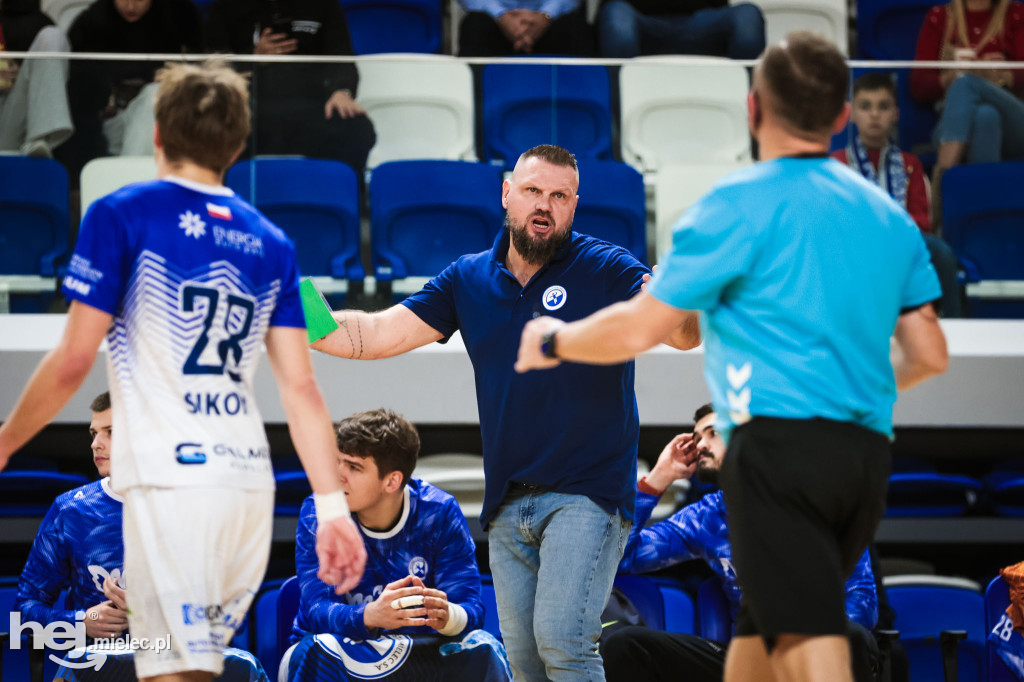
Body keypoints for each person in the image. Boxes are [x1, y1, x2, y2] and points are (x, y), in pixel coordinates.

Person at [515, 33, 948, 682]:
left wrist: (555, 339)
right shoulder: (888, 216)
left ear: (752, 110)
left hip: (777, 448)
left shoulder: (732, 207)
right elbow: (930, 353)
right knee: (756, 647)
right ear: (839, 118)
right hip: (863, 456)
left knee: (812, 640)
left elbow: (645, 325)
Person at [0, 61, 366, 682]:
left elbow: (71, 360)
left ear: (157, 135)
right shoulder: (271, 240)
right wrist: (332, 510)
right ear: (238, 145)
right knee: (188, 672)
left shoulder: (122, 213)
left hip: (174, 479)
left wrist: (4, 441)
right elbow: (301, 387)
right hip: (244, 486)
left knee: (169, 674)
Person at [310, 143, 701, 680]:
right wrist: (299, 309)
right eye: (534, 191)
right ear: (506, 194)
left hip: (588, 493)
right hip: (507, 501)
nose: (545, 205)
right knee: (523, 662)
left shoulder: (605, 266)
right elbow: (376, 334)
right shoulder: (467, 278)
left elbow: (682, 335)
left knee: (564, 642)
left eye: (560, 196)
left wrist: (674, 299)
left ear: (574, 205)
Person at [603, 404, 880, 682]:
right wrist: (657, 479)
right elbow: (621, 557)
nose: (700, 445)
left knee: (850, 635)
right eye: (697, 438)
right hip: (747, 662)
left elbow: (862, 599)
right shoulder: (708, 517)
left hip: (817, 651)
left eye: (713, 433)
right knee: (628, 645)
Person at [15, 392, 269, 681]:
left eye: (110, 432)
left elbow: (233, 620)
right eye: (94, 432)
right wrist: (81, 622)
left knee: (241, 664)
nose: (95, 443)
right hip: (100, 664)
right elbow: (23, 613)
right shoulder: (71, 510)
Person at [280, 408, 511, 681]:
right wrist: (372, 615)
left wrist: (447, 615)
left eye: (353, 467)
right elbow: (317, 611)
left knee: (484, 645)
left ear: (392, 480)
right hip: (338, 649)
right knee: (321, 647)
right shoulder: (320, 511)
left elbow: (471, 608)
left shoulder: (439, 512)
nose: (338, 475)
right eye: (337, 462)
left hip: (420, 651)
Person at [832, 72, 962, 317]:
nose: (874, 114)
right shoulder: (837, 163)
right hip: (853, 242)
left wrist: (888, 234)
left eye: (883, 107)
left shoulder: (909, 163)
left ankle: (953, 329)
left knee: (941, 252)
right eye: (865, 106)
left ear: (895, 114)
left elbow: (921, 221)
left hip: (903, 240)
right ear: (852, 114)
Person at [205, 0, 376, 176]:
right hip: (247, 107)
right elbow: (214, 66)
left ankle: (346, 197)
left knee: (357, 129)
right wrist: (254, 57)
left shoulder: (324, 4)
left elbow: (342, 57)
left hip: (313, 104)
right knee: (215, 127)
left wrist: (341, 91)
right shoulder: (225, 6)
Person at [62, 0, 203, 181]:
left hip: (169, 126)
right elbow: (76, 95)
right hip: (106, 125)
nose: (130, 6)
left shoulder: (180, 17)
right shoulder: (92, 22)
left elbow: (201, 74)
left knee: (155, 94)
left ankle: (127, 191)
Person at [910, 0, 1024, 224]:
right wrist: (949, 77)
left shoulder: (1017, 14)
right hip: (953, 120)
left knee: (966, 85)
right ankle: (986, 223)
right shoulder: (940, 17)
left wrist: (1002, 74)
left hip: (1015, 122)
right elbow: (918, 85)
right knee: (984, 116)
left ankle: (941, 187)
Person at [0, 0, 73, 157]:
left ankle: (39, 139)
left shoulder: (38, 22)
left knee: (52, 36)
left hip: (12, 121)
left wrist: (25, 73)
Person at [597, 0, 765, 59]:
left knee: (748, 15)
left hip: (701, 23)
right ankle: (616, 120)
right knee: (618, 18)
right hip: (638, 22)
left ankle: (752, 116)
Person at [457, 0, 595, 56]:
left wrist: (546, 15)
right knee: (475, 25)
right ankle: (475, 111)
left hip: (552, 21)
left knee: (575, 27)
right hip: (494, 21)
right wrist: (500, 15)